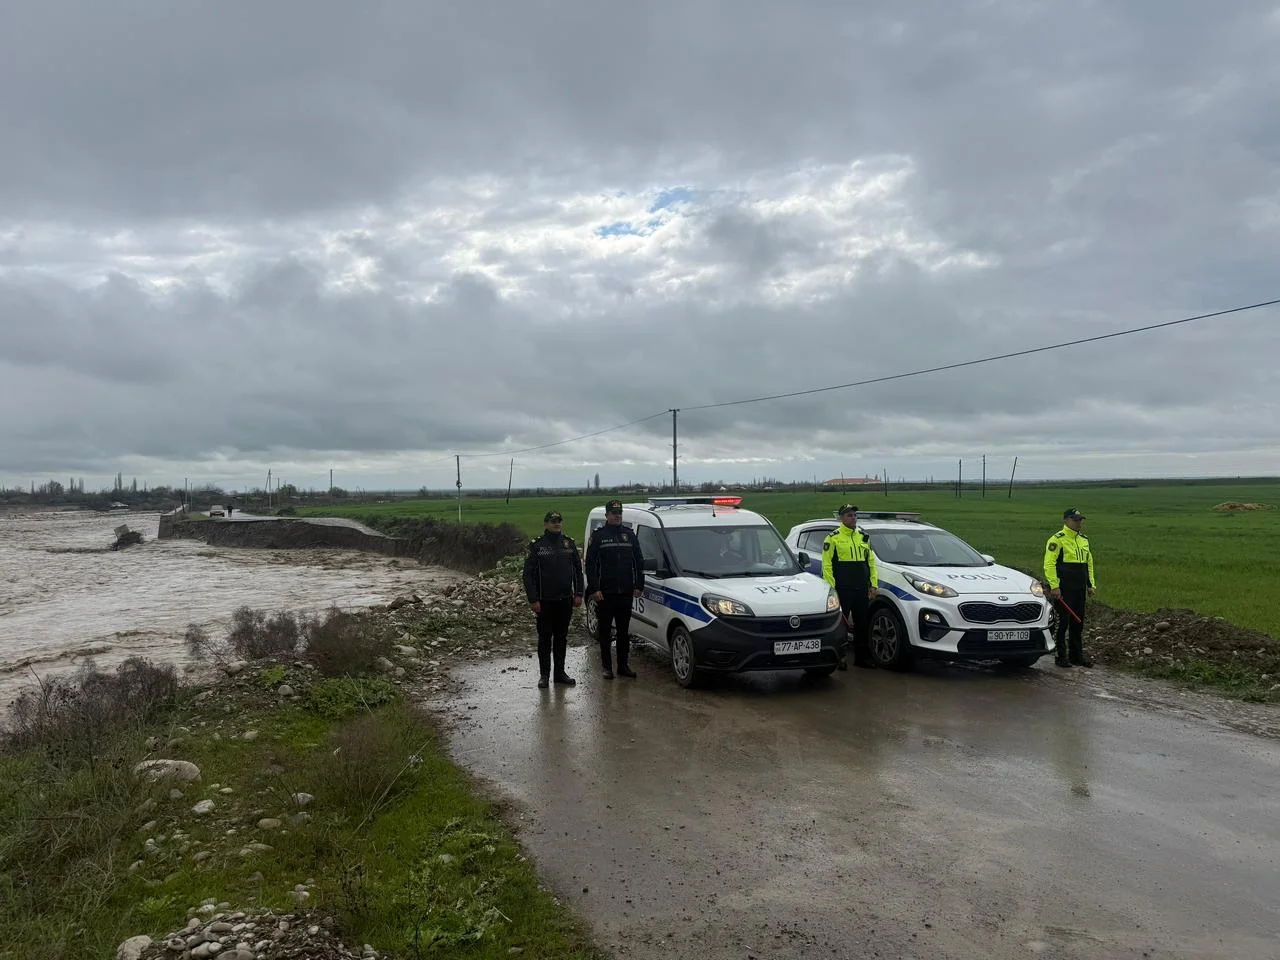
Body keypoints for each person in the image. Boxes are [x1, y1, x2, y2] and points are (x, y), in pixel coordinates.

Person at [522, 510, 584, 688]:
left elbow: (578, 572)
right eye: (553, 521)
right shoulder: (537, 546)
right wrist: (533, 599)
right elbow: (528, 575)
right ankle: (544, 675)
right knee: (544, 639)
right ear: (546, 524)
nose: (557, 524)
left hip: (565, 600)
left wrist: (578, 593)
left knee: (561, 638)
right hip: (544, 601)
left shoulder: (569, 544)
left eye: (559, 521)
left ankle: (559, 673)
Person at [585, 499, 645, 679]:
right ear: (607, 516)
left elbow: (639, 561)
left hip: (625, 592)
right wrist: (594, 588)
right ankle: (606, 667)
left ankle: (623, 666)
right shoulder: (599, 536)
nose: (617, 516)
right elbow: (590, 565)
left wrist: (639, 585)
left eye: (619, 514)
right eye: (613, 513)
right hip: (605, 593)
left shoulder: (629, 535)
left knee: (623, 632)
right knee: (605, 632)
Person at [822, 504, 879, 669]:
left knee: (862, 624)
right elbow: (827, 566)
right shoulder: (833, 538)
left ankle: (862, 658)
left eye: (854, 515)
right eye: (849, 515)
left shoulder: (863, 537)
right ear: (841, 518)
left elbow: (871, 563)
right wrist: (832, 590)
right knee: (840, 626)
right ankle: (839, 657)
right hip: (843, 589)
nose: (853, 518)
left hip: (861, 588)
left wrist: (873, 584)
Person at [1043, 507, 1097, 668]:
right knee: (1063, 622)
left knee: (1077, 622)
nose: (1079, 523)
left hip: (1080, 588)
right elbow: (1049, 564)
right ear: (1066, 520)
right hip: (1064, 588)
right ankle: (1061, 656)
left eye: (1080, 520)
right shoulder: (1057, 539)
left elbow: (1088, 564)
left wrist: (1090, 584)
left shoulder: (1084, 540)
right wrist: (1054, 586)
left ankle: (1076, 656)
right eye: (1075, 520)